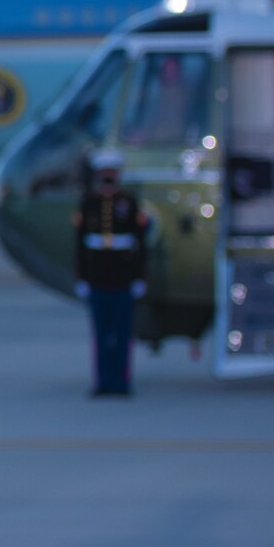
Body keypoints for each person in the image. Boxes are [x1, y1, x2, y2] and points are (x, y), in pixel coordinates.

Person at [73, 148, 149, 396]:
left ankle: (121, 382)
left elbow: (140, 244)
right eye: (104, 173)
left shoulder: (128, 202)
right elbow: (80, 243)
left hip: (123, 276)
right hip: (97, 277)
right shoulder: (89, 202)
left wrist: (139, 277)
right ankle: (103, 382)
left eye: (111, 173)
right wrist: (81, 277)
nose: (108, 178)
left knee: (122, 334)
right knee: (101, 334)